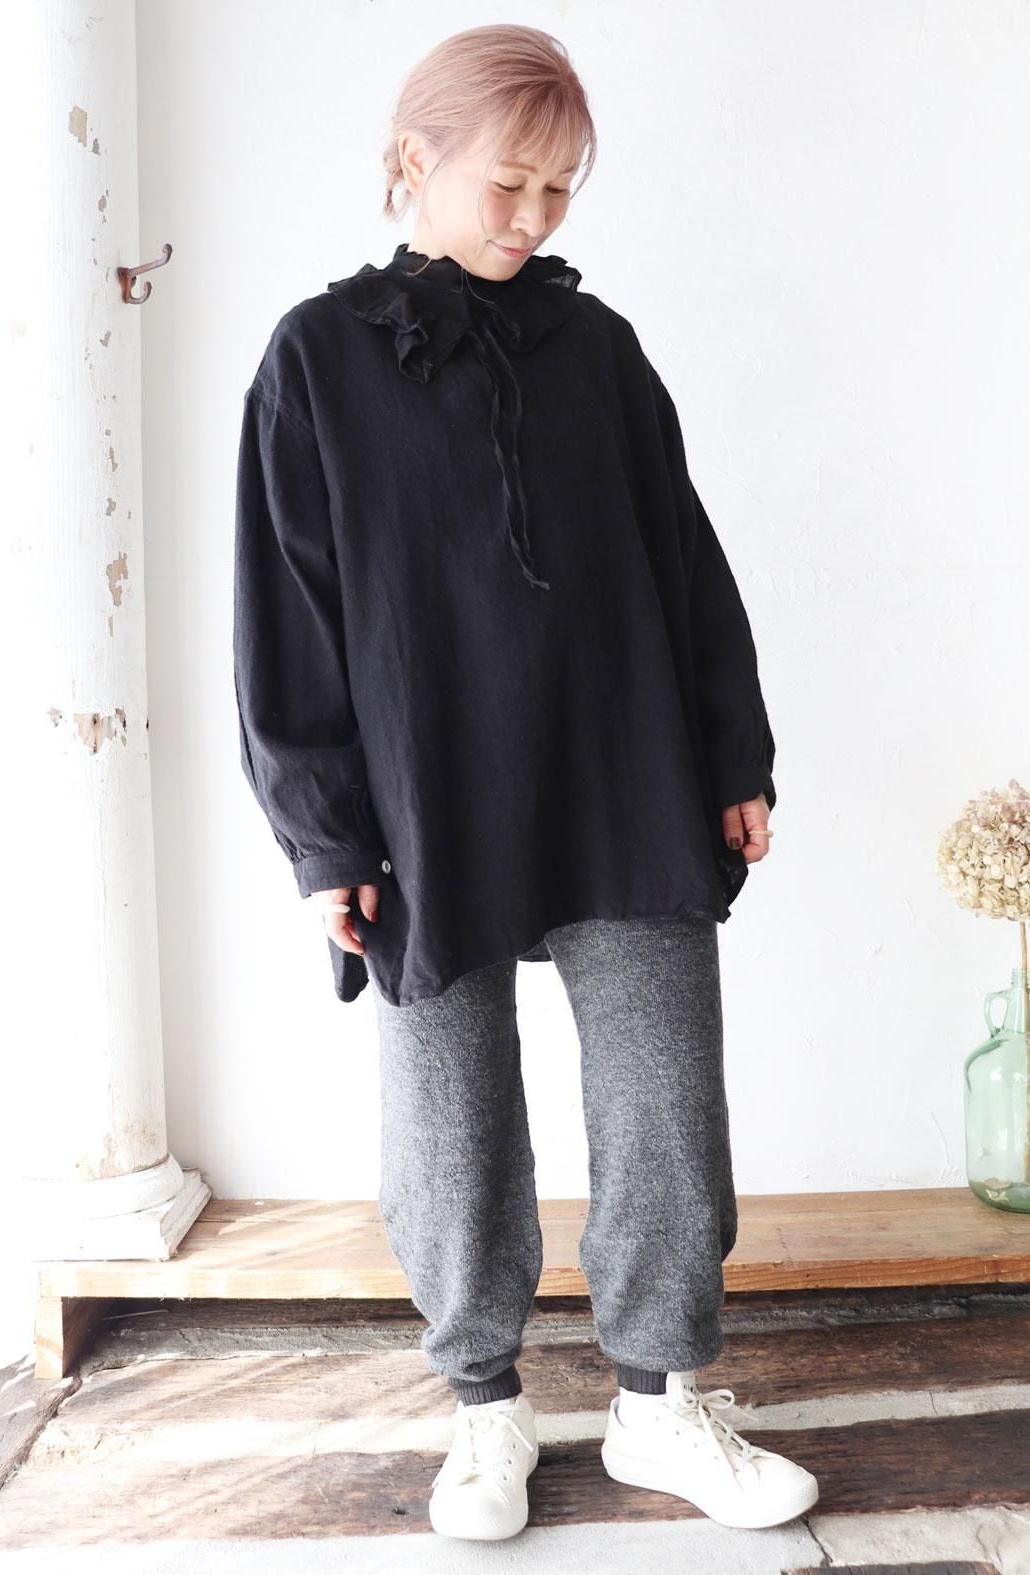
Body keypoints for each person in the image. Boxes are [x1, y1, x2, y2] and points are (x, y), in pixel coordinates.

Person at [233, 21, 818, 1543]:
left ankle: (658, 1404)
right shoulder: (316, 359)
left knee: (665, 1091)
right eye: (510, 183)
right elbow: (286, 612)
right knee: (449, 1111)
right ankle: (484, 1411)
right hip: (423, 793)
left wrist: (730, 754)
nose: (534, 218)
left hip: (622, 766)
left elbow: (684, 562)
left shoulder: (598, 350)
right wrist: (323, 839)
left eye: (560, 190)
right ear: (412, 160)